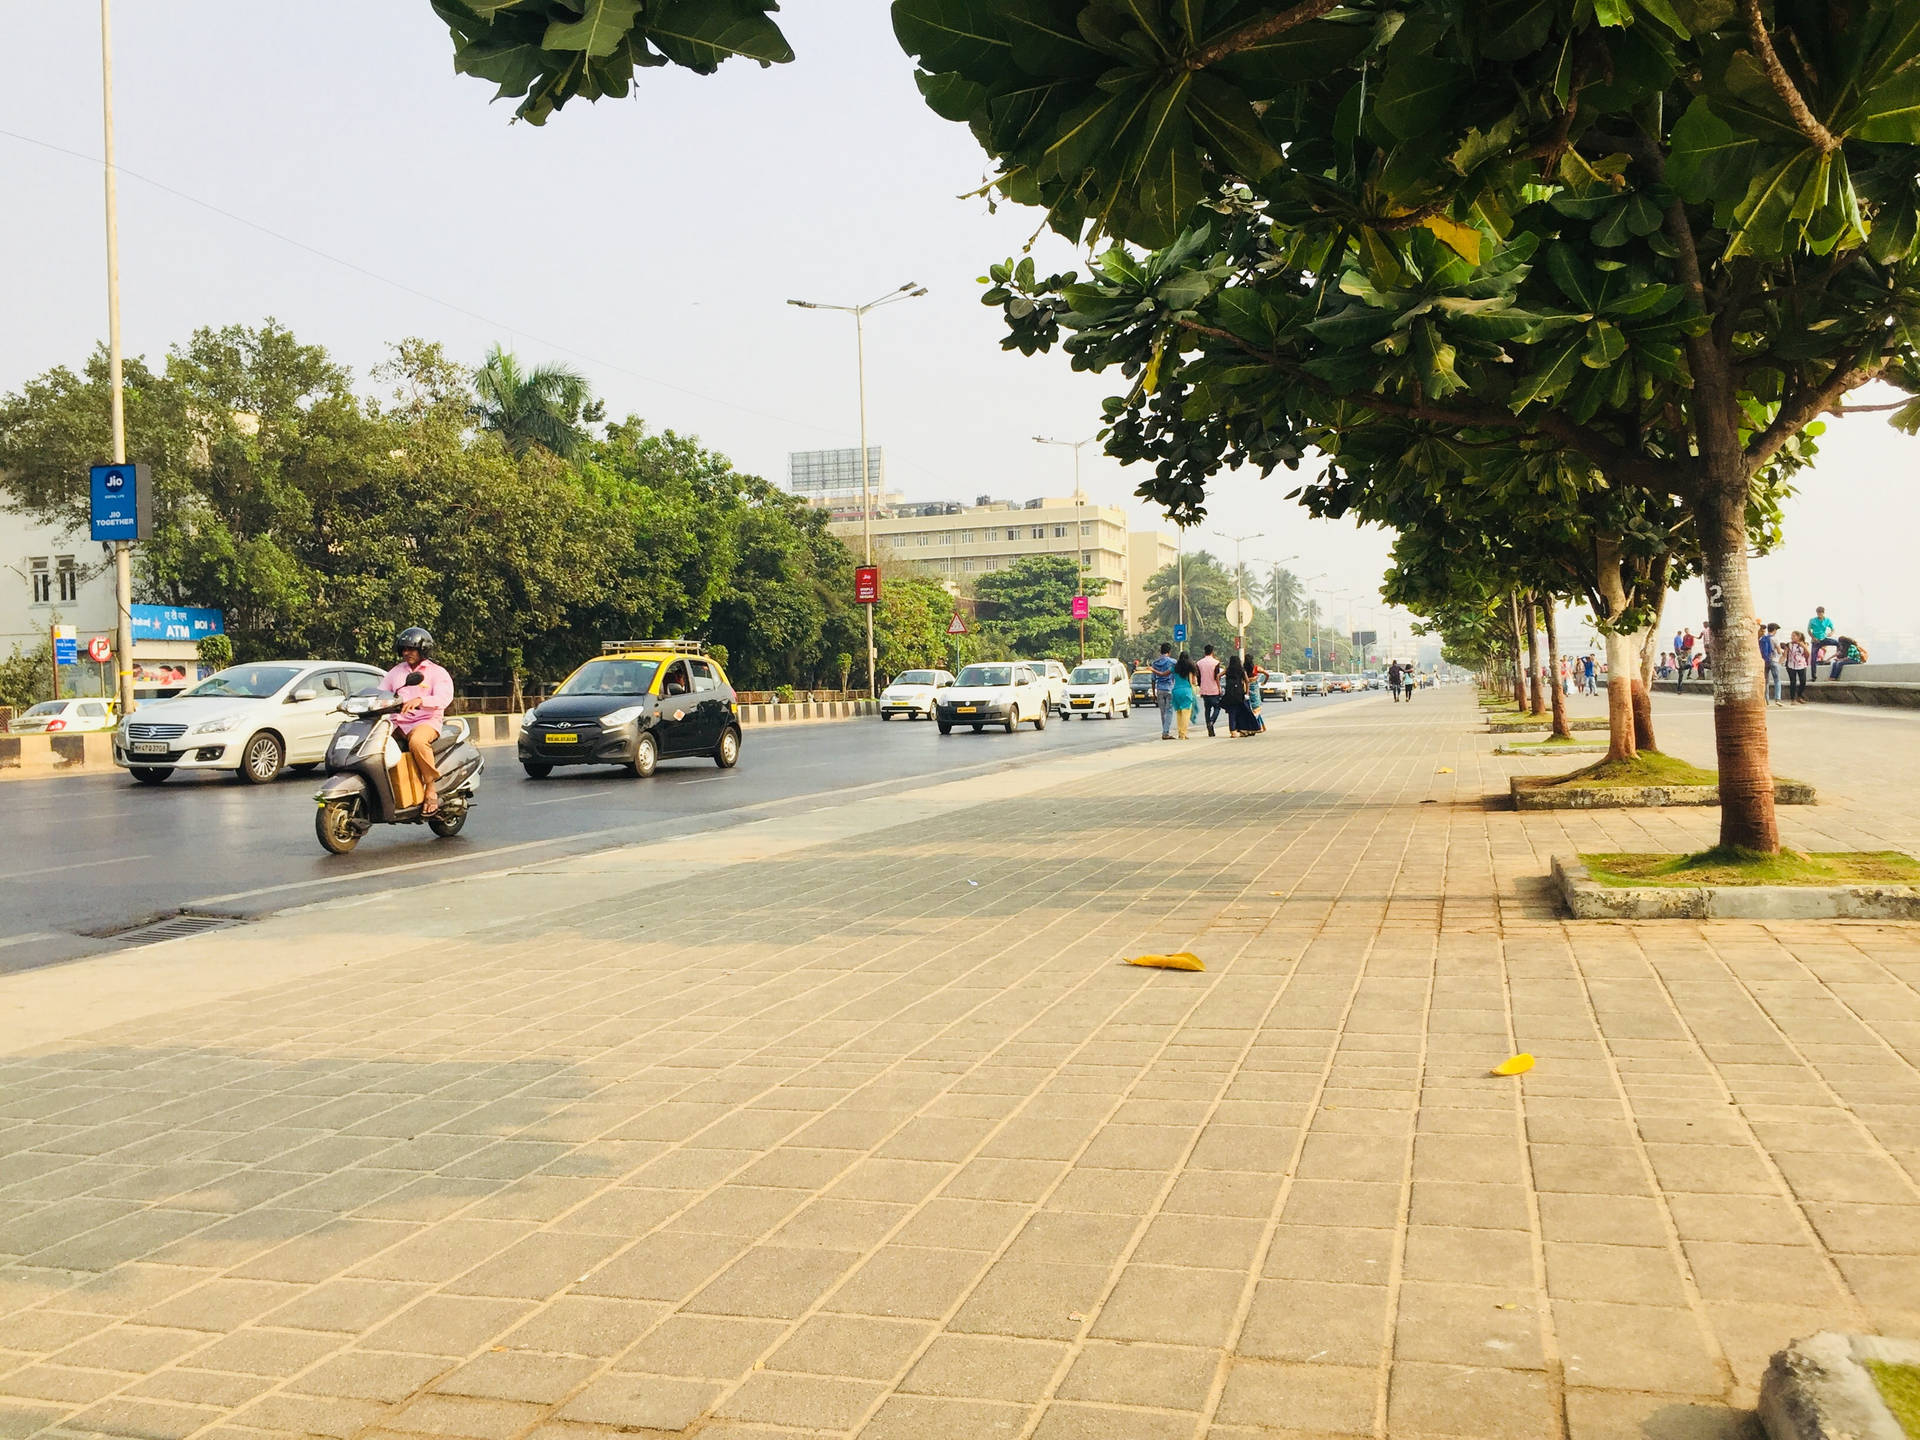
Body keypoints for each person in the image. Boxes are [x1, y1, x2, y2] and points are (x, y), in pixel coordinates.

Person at [380, 626, 454, 816]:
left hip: (426, 721)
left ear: (423, 650)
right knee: (376, 742)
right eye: (404, 649)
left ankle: (430, 789)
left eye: (411, 649)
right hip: (398, 723)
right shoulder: (396, 672)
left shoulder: (437, 673)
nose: (406, 653)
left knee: (417, 742)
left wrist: (420, 701)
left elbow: (444, 699)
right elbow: (381, 692)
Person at [1223, 654, 1257, 735]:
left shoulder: (1228, 670)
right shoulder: (1241, 670)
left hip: (1229, 694)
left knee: (1231, 713)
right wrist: (1247, 693)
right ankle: (1243, 729)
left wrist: (1219, 687)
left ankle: (1232, 731)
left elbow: (1218, 676)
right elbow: (1247, 681)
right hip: (1239, 694)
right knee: (1242, 711)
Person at [1195, 643, 1224, 736]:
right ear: (1212, 652)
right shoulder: (1216, 662)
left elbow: (1198, 677)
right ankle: (1211, 721)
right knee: (1217, 707)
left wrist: (1201, 686)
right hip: (1214, 689)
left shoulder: (1199, 663)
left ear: (1204, 651)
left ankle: (1209, 728)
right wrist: (1219, 688)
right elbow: (1217, 677)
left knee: (1207, 709)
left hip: (1204, 689)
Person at [1171, 651, 1199, 740]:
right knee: (1186, 713)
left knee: (1179, 713)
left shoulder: (1174, 668)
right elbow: (1192, 682)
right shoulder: (1189, 668)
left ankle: (1180, 732)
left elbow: (1166, 674)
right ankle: (1183, 734)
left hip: (1176, 691)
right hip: (1186, 691)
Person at [1151, 642, 1176, 739]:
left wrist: (1153, 693)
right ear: (1169, 652)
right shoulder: (1173, 662)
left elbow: (1153, 679)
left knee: (1163, 712)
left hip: (1160, 689)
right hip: (1170, 688)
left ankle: (1165, 731)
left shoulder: (1155, 663)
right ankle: (1165, 732)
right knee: (1169, 711)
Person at [1807, 606, 1834, 681]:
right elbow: (1809, 630)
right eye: (1818, 613)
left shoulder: (1827, 620)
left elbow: (1833, 629)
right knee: (1813, 659)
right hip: (1816, 641)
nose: (1819, 615)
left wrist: (1831, 633)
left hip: (1824, 638)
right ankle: (1814, 677)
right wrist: (1813, 637)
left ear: (1823, 613)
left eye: (1820, 613)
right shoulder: (1812, 620)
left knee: (1837, 642)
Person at [1785, 630, 1810, 704]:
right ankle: (1793, 699)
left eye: (1794, 636)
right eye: (1791, 636)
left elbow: (1808, 655)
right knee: (1793, 682)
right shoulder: (1788, 645)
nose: (1792, 637)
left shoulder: (1805, 644)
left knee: (1803, 681)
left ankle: (1799, 696)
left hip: (1801, 665)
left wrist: (1804, 647)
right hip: (1791, 665)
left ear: (1798, 637)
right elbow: (1785, 654)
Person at [1760, 622, 1782, 706]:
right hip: (1774, 661)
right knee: (1777, 680)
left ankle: (1766, 700)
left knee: (1766, 681)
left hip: (1765, 661)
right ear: (1775, 630)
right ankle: (1777, 699)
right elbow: (1779, 651)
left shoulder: (1762, 638)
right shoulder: (1775, 639)